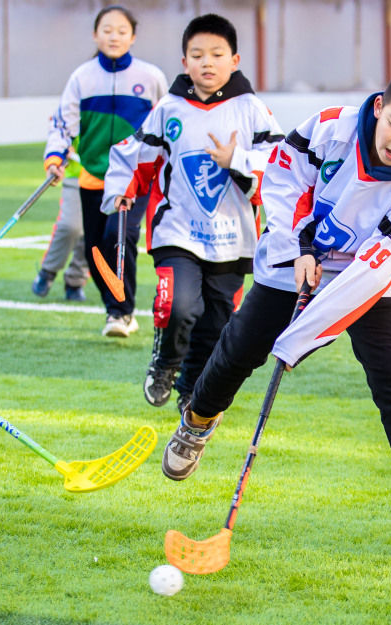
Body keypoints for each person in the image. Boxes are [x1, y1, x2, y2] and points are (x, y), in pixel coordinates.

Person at [162, 65, 391, 549]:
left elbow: (371, 270)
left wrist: (301, 338)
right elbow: (282, 183)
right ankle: (197, 420)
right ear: (378, 108)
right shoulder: (329, 127)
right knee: (242, 346)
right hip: (294, 254)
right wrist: (295, 249)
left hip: (364, 277)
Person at [103, 14, 284, 413]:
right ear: (184, 62)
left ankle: (191, 384)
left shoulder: (252, 110)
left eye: (217, 54)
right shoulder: (169, 108)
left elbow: (282, 165)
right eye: (197, 54)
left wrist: (235, 158)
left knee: (217, 322)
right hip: (177, 231)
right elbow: (137, 154)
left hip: (233, 238)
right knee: (178, 305)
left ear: (234, 60)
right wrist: (122, 190)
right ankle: (165, 363)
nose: (207, 62)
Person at [44, 5, 167, 337]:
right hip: (92, 176)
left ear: (133, 37)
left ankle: (120, 312)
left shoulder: (150, 77)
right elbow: (62, 123)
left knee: (119, 235)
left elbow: (169, 122)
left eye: (122, 31)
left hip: (134, 179)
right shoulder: (82, 78)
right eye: (107, 30)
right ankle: (117, 306)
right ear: (96, 35)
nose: (114, 36)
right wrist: (55, 157)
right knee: (94, 249)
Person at [30, 141, 87, 302]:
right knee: (70, 226)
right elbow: (61, 130)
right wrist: (58, 154)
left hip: (107, 177)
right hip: (76, 175)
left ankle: (75, 281)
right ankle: (48, 270)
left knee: (95, 233)